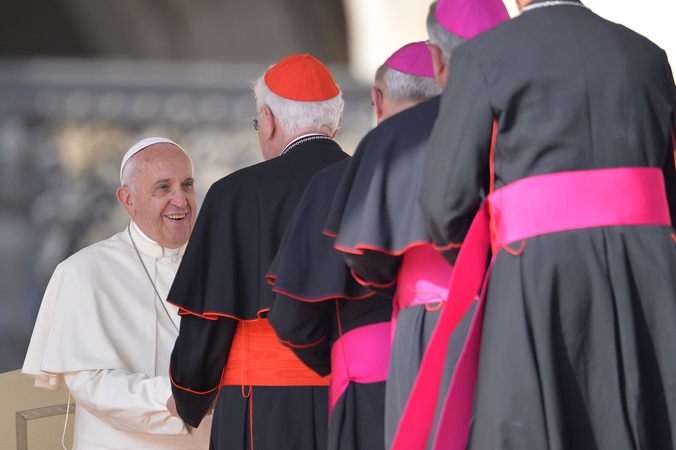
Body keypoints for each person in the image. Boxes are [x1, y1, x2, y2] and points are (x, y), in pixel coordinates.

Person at [403, 0, 676, 449]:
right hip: (647, 280)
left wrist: (493, 263)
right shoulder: (648, 56)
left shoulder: (483, 57)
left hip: (534, 278)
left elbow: (443, 204)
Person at [324, 1, 508, 448]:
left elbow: (362, 255)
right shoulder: (525, 118)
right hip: (511, 315)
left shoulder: (390, 137)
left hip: (427, 323)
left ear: (439, 58)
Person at [167, 54, 349, 450]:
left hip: (262, 405)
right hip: (357, 400)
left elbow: (209, 319)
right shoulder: (373, 180)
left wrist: (190, 396)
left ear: (268, 120)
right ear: (336, 122)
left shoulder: (235, 194)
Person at [265, 41, 441, 450]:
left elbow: (293, 319)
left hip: (372, 387)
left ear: (377, 101)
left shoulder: (334, 183)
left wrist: (349, 353)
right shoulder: (488, 166)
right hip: (470, 372)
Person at [22, 137, 211, 449]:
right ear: (128, 200)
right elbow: (93, 385)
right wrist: (178, 398)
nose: (181, 200)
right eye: (163, 187)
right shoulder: (84, 271)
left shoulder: (221, 266)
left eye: (187, 185)